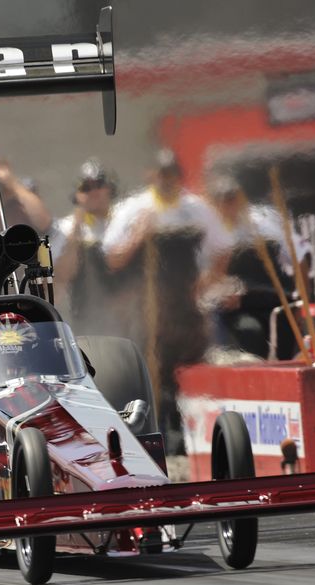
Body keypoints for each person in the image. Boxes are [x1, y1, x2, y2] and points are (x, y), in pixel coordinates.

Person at [101, 149, 231, 454]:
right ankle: (153, 439)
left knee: (190, 371)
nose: (166, 180)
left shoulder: (196, 209)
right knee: (150, 372)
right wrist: (138, 234)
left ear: (179, 176)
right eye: (160, 174)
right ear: (151, 175)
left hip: (185, 306)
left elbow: (223, 247)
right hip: (146, 306)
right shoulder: (134, 209)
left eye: (171, 174)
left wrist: (207, 282)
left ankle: (194, 440)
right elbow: (112, 258)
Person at [204, 176, 301, 359]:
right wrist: (222, 290)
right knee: (249, 332)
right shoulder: (209, 233)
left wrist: (302, 297)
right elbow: (205, 278)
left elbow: (297, 257)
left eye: (233, 198)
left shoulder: (264, 224)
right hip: (237, 308)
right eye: (223, 200)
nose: (229, 205)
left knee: (285, 340)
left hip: (273, 300)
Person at [49, 158, 121, 335]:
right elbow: (61, 277)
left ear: (110, 188)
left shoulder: (124, 220)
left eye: (98, 184)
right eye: (86, 188)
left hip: (123, 315)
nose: (93, 192)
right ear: (77, 195)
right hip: (85, 318)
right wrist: (76, 232)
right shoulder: (66, 228)